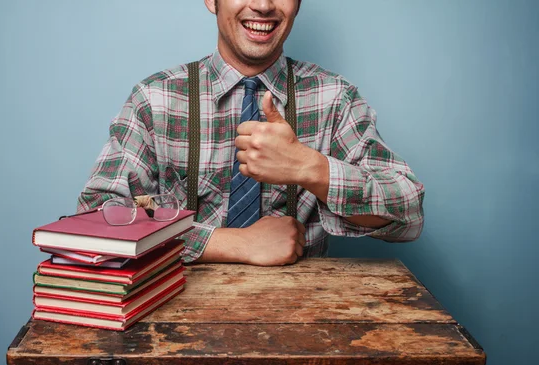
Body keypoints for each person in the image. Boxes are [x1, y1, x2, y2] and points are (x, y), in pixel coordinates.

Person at [77, 0, 425, 266]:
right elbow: (97, 216)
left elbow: (407, 212)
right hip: (175, 327)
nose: (263, 5)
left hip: (302, 328)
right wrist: (231, 244)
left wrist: (312, 168)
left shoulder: (334, 98)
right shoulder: (155, 100)